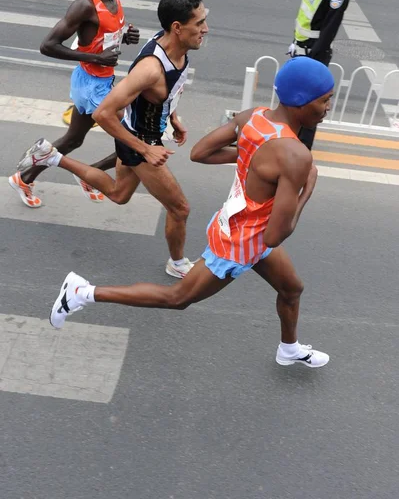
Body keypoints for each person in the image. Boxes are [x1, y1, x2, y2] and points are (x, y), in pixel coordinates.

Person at [24, 57, 332, 367]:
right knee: (178, 298)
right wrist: (306, 190)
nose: (328, 107)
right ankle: (81, 292)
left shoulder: (255, 117)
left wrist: (252, 156)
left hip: (241, 224)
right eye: (325, 100)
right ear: (301, 102)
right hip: (241, 243)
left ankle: (289, 349)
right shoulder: (295, 156)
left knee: (292, 288)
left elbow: (200, 153)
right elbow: (276, 235)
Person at [18, 0, 209, 279]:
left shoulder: (175, 46)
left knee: (120, 195)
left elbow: (164, 92)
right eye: (200, 23)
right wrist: (145, 150)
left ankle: (51, 156)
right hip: (141, 144)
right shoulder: (150, 69)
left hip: (140, 136)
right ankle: (178, 263)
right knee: (180, 209)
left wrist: (172, 117)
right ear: (177, 28)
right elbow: (103, 114)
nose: (205, 29)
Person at [9, 0, 140, 208]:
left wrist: (126, 37)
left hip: (99, 81)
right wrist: (95, 57)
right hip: (93, 86)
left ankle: (24, 178)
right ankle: (92, 174)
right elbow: (48, 45)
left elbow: (103, 37)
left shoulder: (113, 0)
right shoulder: (85, 4)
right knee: (134, 141)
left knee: (74, 139)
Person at [287, 0, 358, 150]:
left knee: (308, 106)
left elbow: (329, 28)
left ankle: (300, 155)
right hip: (301, 48)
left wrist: (311, 62)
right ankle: (289, 145)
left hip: (313, 54)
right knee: (294, 102)